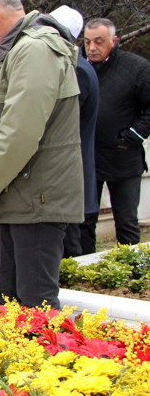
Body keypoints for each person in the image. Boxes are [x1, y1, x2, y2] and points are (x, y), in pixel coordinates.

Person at [0, 0, 83, 310]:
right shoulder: (22, 50)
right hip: (22, 198)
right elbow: (0, 130)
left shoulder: (34, 50)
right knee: (8, 295)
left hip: (36, 199)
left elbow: (19, 132)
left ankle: (52, 363)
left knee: (35, 303)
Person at [83, 17, 150, 251]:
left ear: (114, 40)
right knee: (84, 220)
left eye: (99, 42)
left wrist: (132, 135)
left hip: (124, 156)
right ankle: (83, 275)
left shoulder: (137, 68)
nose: (92, 48)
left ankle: (132, 278)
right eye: (87, 42)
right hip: (88, 157)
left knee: (127, 222)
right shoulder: (78, 67)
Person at [49, 5, 99, 258]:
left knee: (73, 255)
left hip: (72, 185)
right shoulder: (73, 65)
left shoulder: (75, 70)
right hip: (71, 184)